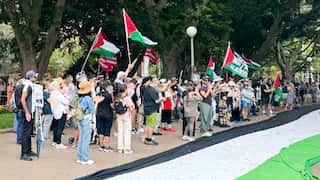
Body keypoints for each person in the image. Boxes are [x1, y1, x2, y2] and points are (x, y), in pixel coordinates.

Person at [20, 70, 38, 161]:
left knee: (29, 132)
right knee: (26, 132)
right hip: (27, 111)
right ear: (30, 77)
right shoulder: (28, 85)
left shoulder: (29, 84)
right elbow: (23, 99)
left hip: (30, 111)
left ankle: (28, 150)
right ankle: (24, 154)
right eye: (34, 76)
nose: (36, 78)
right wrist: (27, 112)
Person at [77, 80, 95, 165]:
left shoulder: (79, 97)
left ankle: (79, 157)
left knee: (81, 138)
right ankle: (85, 158)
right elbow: (92, 110)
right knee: (86, 139)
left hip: (80, 118)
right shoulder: (88, 98)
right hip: (86, 119)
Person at [143, 77, 165, 145]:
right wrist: (162, 99)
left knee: (148, 124)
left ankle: (146, 138)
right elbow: (156, 101)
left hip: (147, 108)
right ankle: (149, 139)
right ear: (154, 83)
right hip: (152, 109)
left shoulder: (147, 89)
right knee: (151, 125)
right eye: (157, 84)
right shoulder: (152, 90)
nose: (157, 86)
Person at [48, 79, 69, 149]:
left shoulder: (52, 94)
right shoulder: (57, 93)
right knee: (60, 127)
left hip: (55, 111)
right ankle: (58, 142)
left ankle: (54, 141)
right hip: (61, 112)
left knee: (56, 127)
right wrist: (67, 100)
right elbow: (66, 102)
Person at [115, 84, 135, 154]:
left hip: (119, 116)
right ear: (125, 90)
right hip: (126, 116)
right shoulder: (127, 98)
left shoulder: (117, 98)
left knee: (120, 132)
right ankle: (127, 148)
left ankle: (120, 148)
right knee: (127, 132)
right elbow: (131, 108)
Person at [96, 81, 114, 152]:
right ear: (107, 87)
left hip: (99, 113)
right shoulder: (109, 95)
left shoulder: (98, 94)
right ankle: (107, 145)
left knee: (100, 130)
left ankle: (101, 145)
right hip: (108, 114)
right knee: (107, 129)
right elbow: (112, 106)